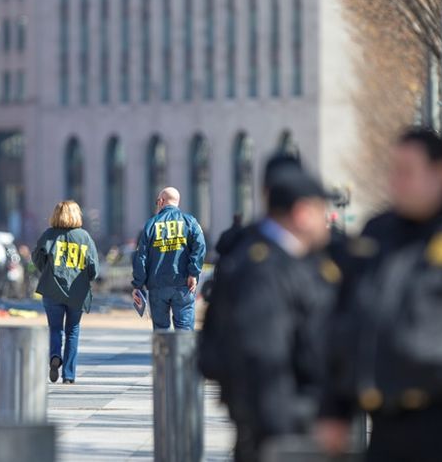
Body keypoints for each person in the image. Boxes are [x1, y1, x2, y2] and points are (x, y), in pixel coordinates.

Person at [317, 128, 442, 462]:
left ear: (439, 172)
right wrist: (334, 408)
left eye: (407, 172)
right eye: (394, 171)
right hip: (383, 421)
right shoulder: (376, 235)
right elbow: (346, 322)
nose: (396, 182)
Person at [200, 166, 340, 462]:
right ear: (302, 213)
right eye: (320, 210)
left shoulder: (285, 258)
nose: (325, 220)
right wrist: (284, 430)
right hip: (281, 430)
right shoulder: (265, 269)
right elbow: (265, 359)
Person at [32, 200, 99, 384]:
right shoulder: (84, 237)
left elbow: (37, 257)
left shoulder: (49, 235)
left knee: (55, 328)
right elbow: (94, 267)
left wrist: (46, 269)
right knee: (73, 331)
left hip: (52, 289)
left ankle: (55, 356)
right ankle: (69, 375)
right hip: (77, 292)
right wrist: (86, 277)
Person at [132, 187, 206, 331]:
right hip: (184, 284)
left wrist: (138, 285)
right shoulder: (190, 221)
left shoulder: (151, 225)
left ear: (160, 201)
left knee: (161, 331)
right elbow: (200, 246)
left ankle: (163, 354)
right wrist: (193, 273)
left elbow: (141, 257)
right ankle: (183, 355)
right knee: (184, 329)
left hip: (157, 285)